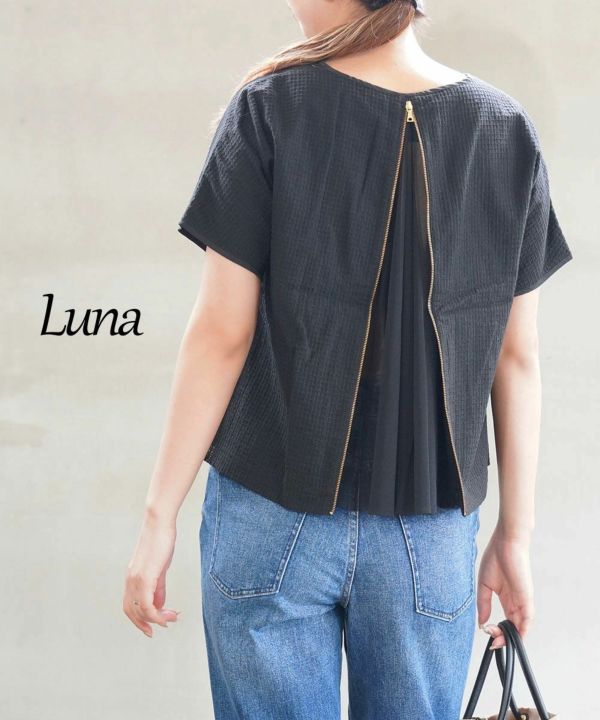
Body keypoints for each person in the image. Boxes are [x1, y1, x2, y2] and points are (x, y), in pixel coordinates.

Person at [123, 0, 573, 717]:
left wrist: (159, 516)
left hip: (272, 513)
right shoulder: (504, 128)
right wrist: (513, 535)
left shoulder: (269, 108)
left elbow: (221, 335)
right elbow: (515, 357)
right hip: (428, 535)